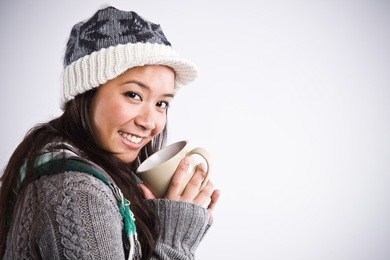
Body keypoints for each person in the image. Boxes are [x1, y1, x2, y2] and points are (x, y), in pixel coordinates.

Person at [0, 5, 220, 259]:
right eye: (133, 95)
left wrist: (164, 214)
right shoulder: (77, 193)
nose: (150, 122)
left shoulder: (64, 162)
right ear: (86, 93)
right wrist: (175, 239)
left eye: (161, 104)